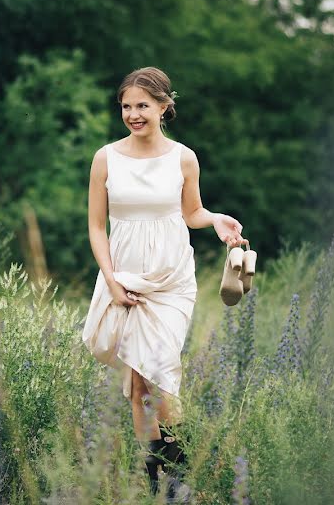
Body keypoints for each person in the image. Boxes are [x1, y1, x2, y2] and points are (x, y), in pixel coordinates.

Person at [82, 67, 244, 498]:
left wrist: (216, 220)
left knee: (160, 377)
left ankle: (185, 473)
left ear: (163, 107)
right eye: (127, 106)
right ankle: (161, 483)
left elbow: (192, 213)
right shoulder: (106, 158)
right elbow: (97, 227)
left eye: (143, 106)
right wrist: (112, 280)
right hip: (124, 278)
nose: (134, 114)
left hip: (171, 281)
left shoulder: (183, 157)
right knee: (138, 383)